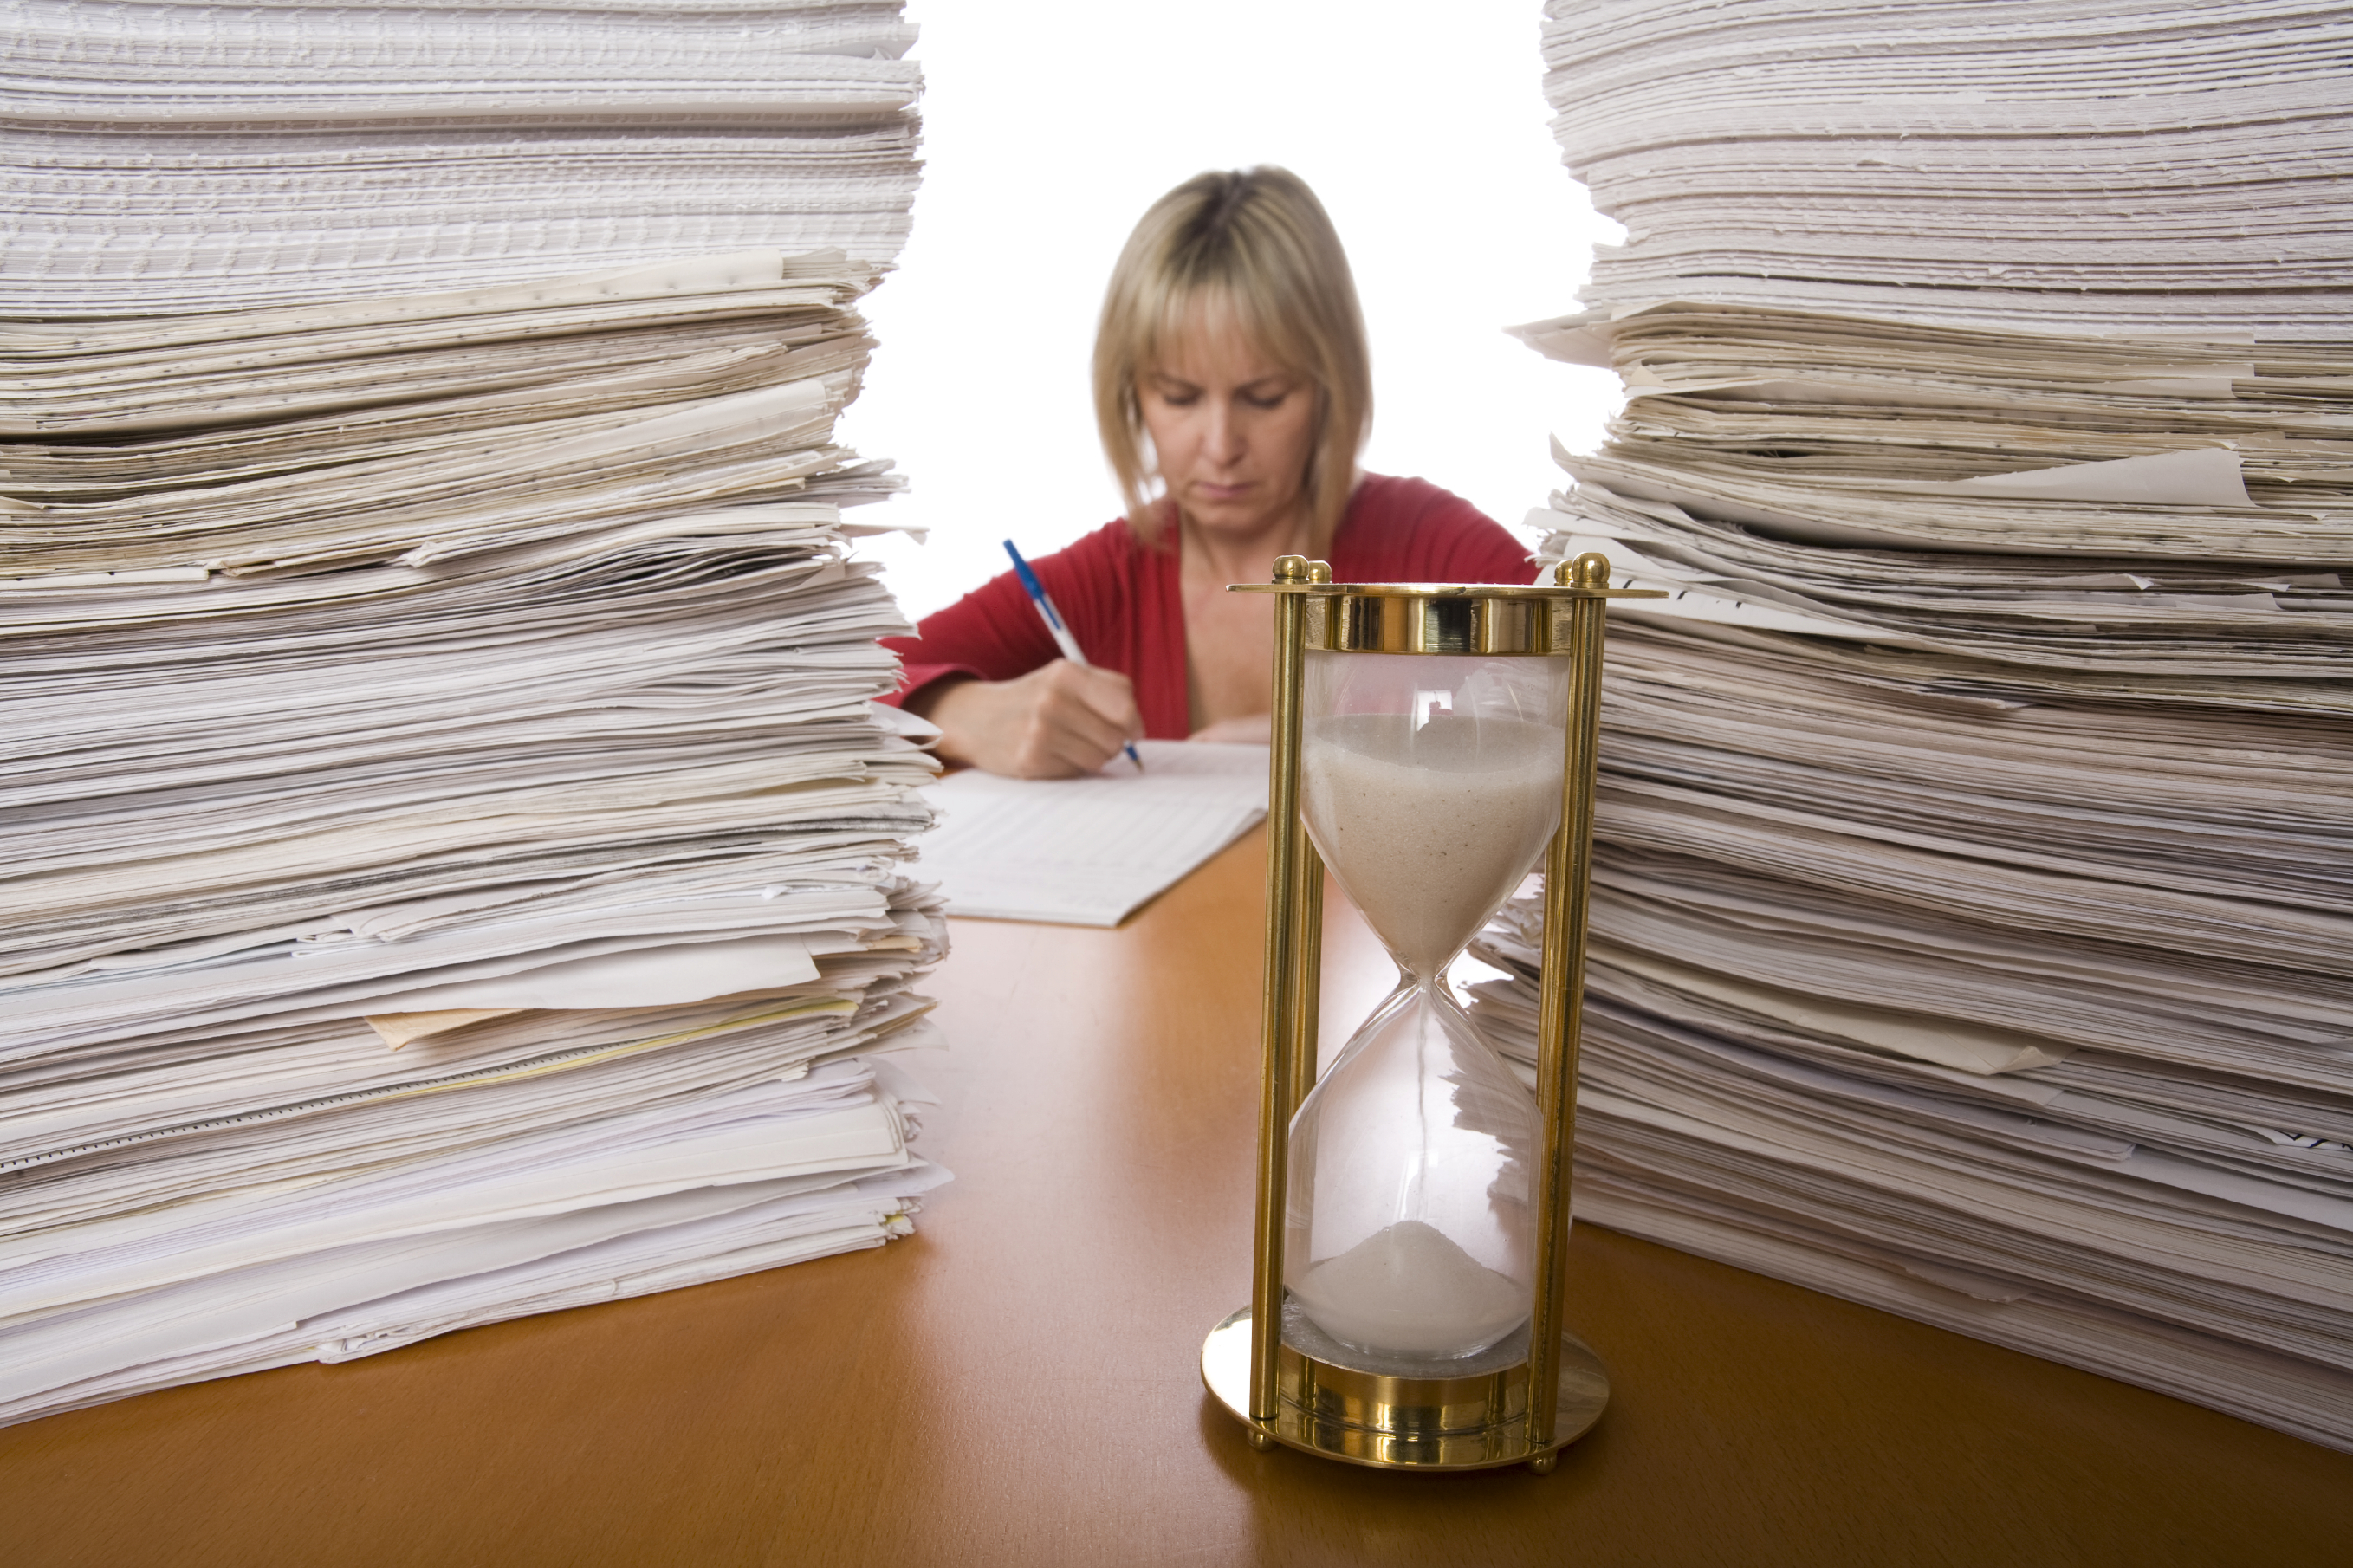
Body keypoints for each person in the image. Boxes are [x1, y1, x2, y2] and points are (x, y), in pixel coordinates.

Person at [882, 165, 1534, 777]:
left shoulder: (1435, 548)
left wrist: (1341, 735)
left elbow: (1610, 695)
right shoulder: (1099, 583)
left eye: (1265, 397)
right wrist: (957, 713)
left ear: (1331, 386)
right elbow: (840, 688)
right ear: (1130, 392)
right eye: (1179, 397)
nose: (1221, 446)